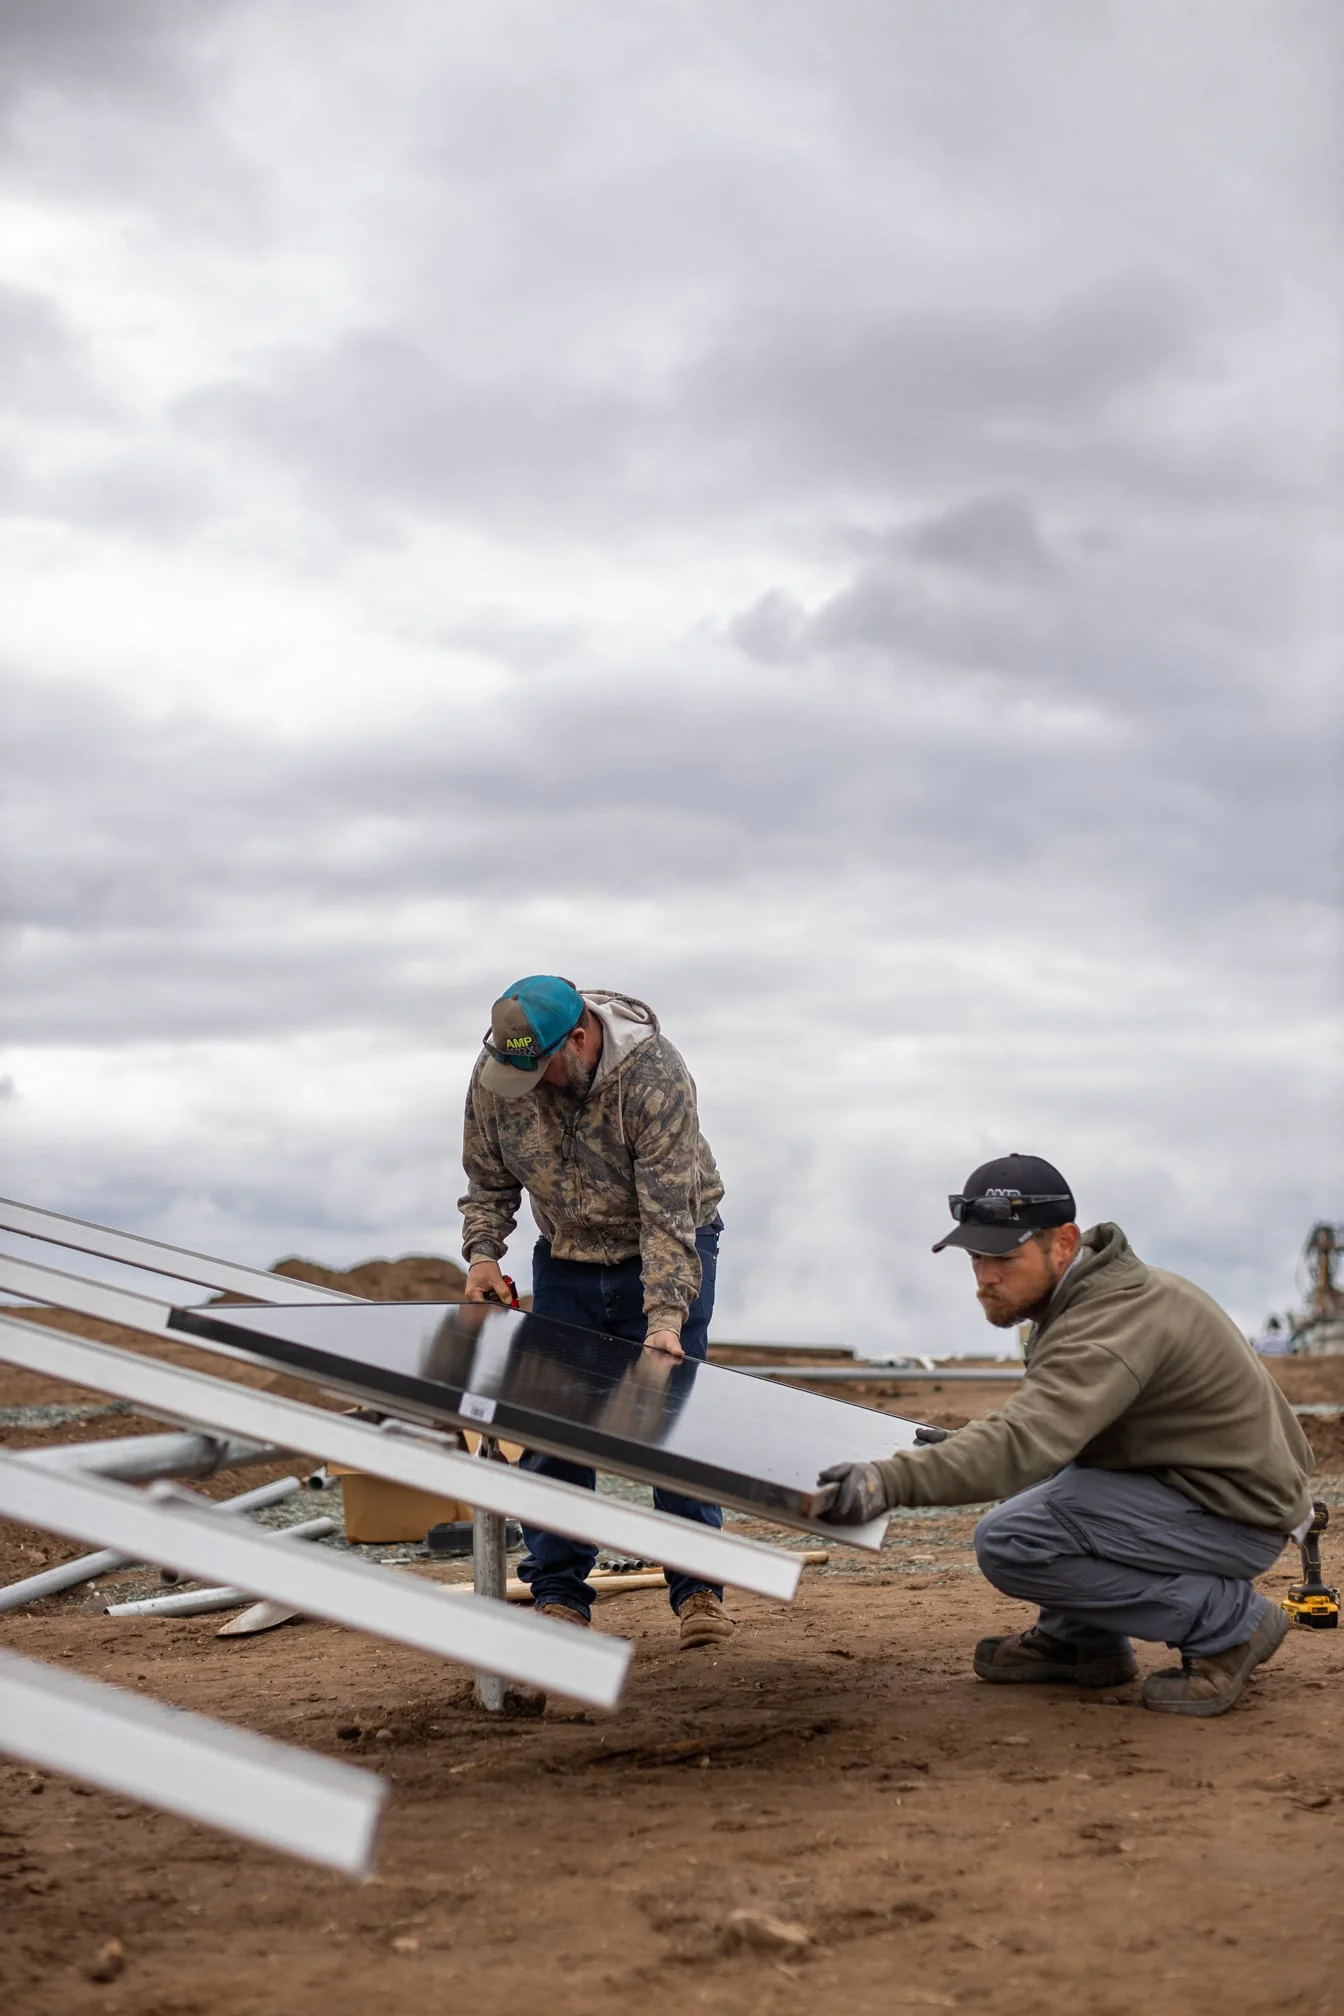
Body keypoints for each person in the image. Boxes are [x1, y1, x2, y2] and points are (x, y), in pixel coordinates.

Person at [816, 1153, 1315, 1717]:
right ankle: (1082, 1640)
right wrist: (963, 1445)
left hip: (1234, 1515)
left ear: (1063, 1243)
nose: (985, 1277)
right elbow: (1047, 1428)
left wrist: (889, 1481)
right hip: (1200, 1490)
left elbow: (1026, 1441)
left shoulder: (1108, 1323)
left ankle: (1227, 1625)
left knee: (1011, 1539)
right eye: (976, 1257)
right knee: (1040, 1483)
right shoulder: (1090, 1298)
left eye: (1004, 1257)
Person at [459, 974, 732, 1650]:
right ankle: (559, 1596)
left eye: (541, 1068)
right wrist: (483, 1254)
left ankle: (698, 1591)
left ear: (577, 1038)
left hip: (662, 1249)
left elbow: (671, 1217)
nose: (529, 1081)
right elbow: (488, 1177)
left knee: (669, 1414)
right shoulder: (500, 1073)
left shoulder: (654, 1076)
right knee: (553, 1420)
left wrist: (664, 1320)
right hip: (568, 1256)